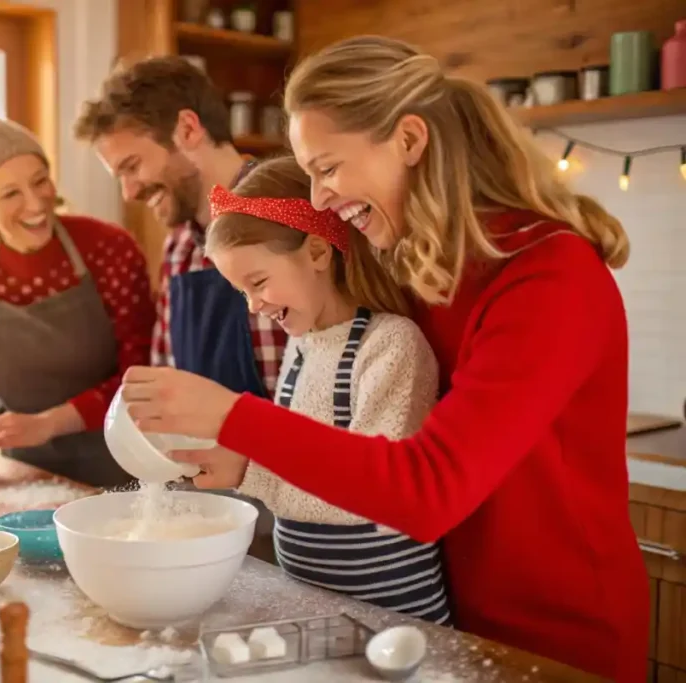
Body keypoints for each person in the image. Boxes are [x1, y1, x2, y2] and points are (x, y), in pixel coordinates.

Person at [119, 36, 648, 682]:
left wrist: (235, 417)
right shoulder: (423, 271)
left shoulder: (549, 277)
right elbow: (376, 456)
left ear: (409, 141)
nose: (316, 200)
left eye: (328, 167)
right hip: (451, 625)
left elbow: (428, 486)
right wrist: (245, 461)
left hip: (562, 639)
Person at [206, 156, 452, 625]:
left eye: (257, 282)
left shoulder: (392, 345)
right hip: (317, 613)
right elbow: (295, 461)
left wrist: (247, 471)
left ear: (318, 252)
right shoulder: (300, 348)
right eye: (241, 292)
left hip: (393, 621)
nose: (254, 306)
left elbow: (371, 494)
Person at [0, 109, 154, 488]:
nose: (35, 204)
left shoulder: (109, 249)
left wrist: (50, 423)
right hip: (23, 474)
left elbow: (143, 368)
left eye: (40, 181)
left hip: (121, 458)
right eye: (11, 193)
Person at [73, 56, 288, 400]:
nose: (129, 193)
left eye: (133, 166)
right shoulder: (179, 249)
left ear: (188, 129)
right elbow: (166, 383)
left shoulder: (292, 215)